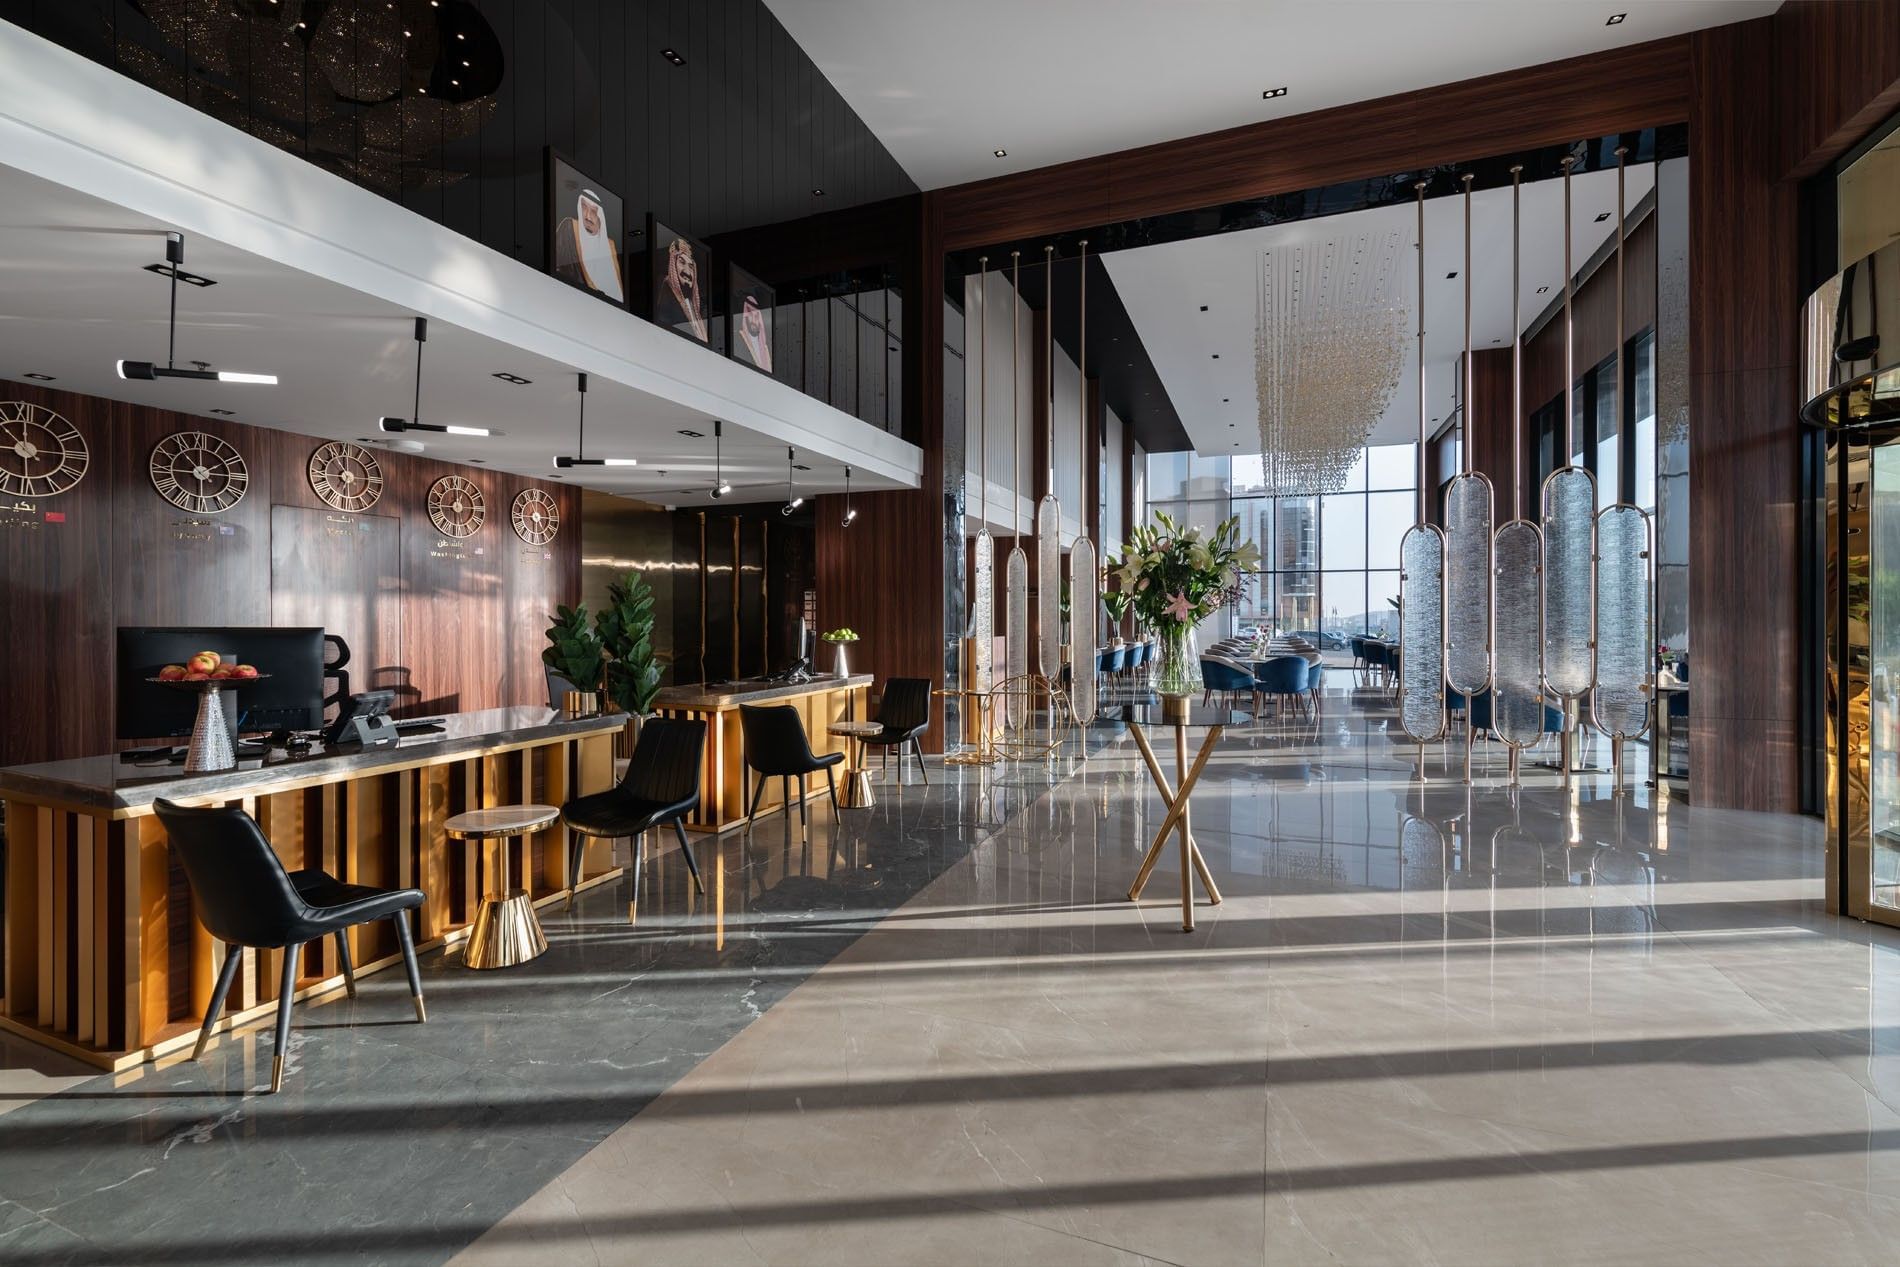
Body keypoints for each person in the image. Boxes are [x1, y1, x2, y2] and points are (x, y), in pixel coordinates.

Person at [553, 189, 623, 303]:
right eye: (584, 207)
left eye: (594, 211)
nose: (587, 216)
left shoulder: (610, 247)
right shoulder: (569, 228)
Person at [657, 235, 708, 343]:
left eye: (691, 266)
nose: (687, 272)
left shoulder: (693, 304)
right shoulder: (667, 293)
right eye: (681, 262)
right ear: (673, 265)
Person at [736, 292, 772, 371]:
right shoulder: (739, 339)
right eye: (750, 315)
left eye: (756, 316)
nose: (753, 320)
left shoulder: (765, 347)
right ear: (745, 317)